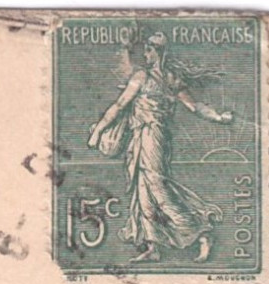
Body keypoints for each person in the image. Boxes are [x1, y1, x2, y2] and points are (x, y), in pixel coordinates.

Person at [86, 31, 235, 264]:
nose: (145, 54)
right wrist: (98, 131)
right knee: (143, 188)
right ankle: (152, 246)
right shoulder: (144, 76)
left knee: (156, 186)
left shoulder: (163, 78)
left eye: (149, 50)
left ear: (158, 52)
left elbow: (194, 106)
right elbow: (119, 105)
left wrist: (218, 117)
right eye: (145, 49)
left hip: (154, 136)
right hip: (141, 137)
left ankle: (201, 232)